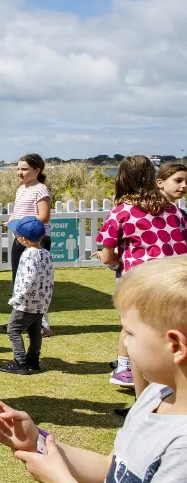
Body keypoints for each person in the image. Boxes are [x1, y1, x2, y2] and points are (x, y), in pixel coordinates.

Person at [0, 255, 187, 483]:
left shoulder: (182, 448)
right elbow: (113, 472)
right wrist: (38, 443)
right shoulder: (156, 395)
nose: (124, 343)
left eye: (129, 333)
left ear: (175, 345)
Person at [94, 156, 187, 401]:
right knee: (173, 342)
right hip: (175, 284)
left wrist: (122, 258)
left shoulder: (121, 212)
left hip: (142, 286)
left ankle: (142, 402)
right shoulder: (175, 211)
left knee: (140, 342)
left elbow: (107, 257)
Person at [4, 154, 52, 336]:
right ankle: (19, 321)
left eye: (24, 169)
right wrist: (10, 222)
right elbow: (16, 214)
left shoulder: (41, 190)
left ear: (37, 170)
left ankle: (43, 324)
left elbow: (44, 216)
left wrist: (23, 225)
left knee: (38, 283)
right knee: (18, 280)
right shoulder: (20, 189)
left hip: (37, 241)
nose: (19, 172)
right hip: (20, 239)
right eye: (18, 169)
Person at [1, 217, 54, 375]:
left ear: (23, 239)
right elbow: (49, 278)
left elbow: (28, 280)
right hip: (41, 302)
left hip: (26, 302)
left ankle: (20, 362)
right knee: (34, 330)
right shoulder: (46, 253)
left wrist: (18, 297)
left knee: (13, 329)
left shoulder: (28, 255)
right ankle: (33, 360)